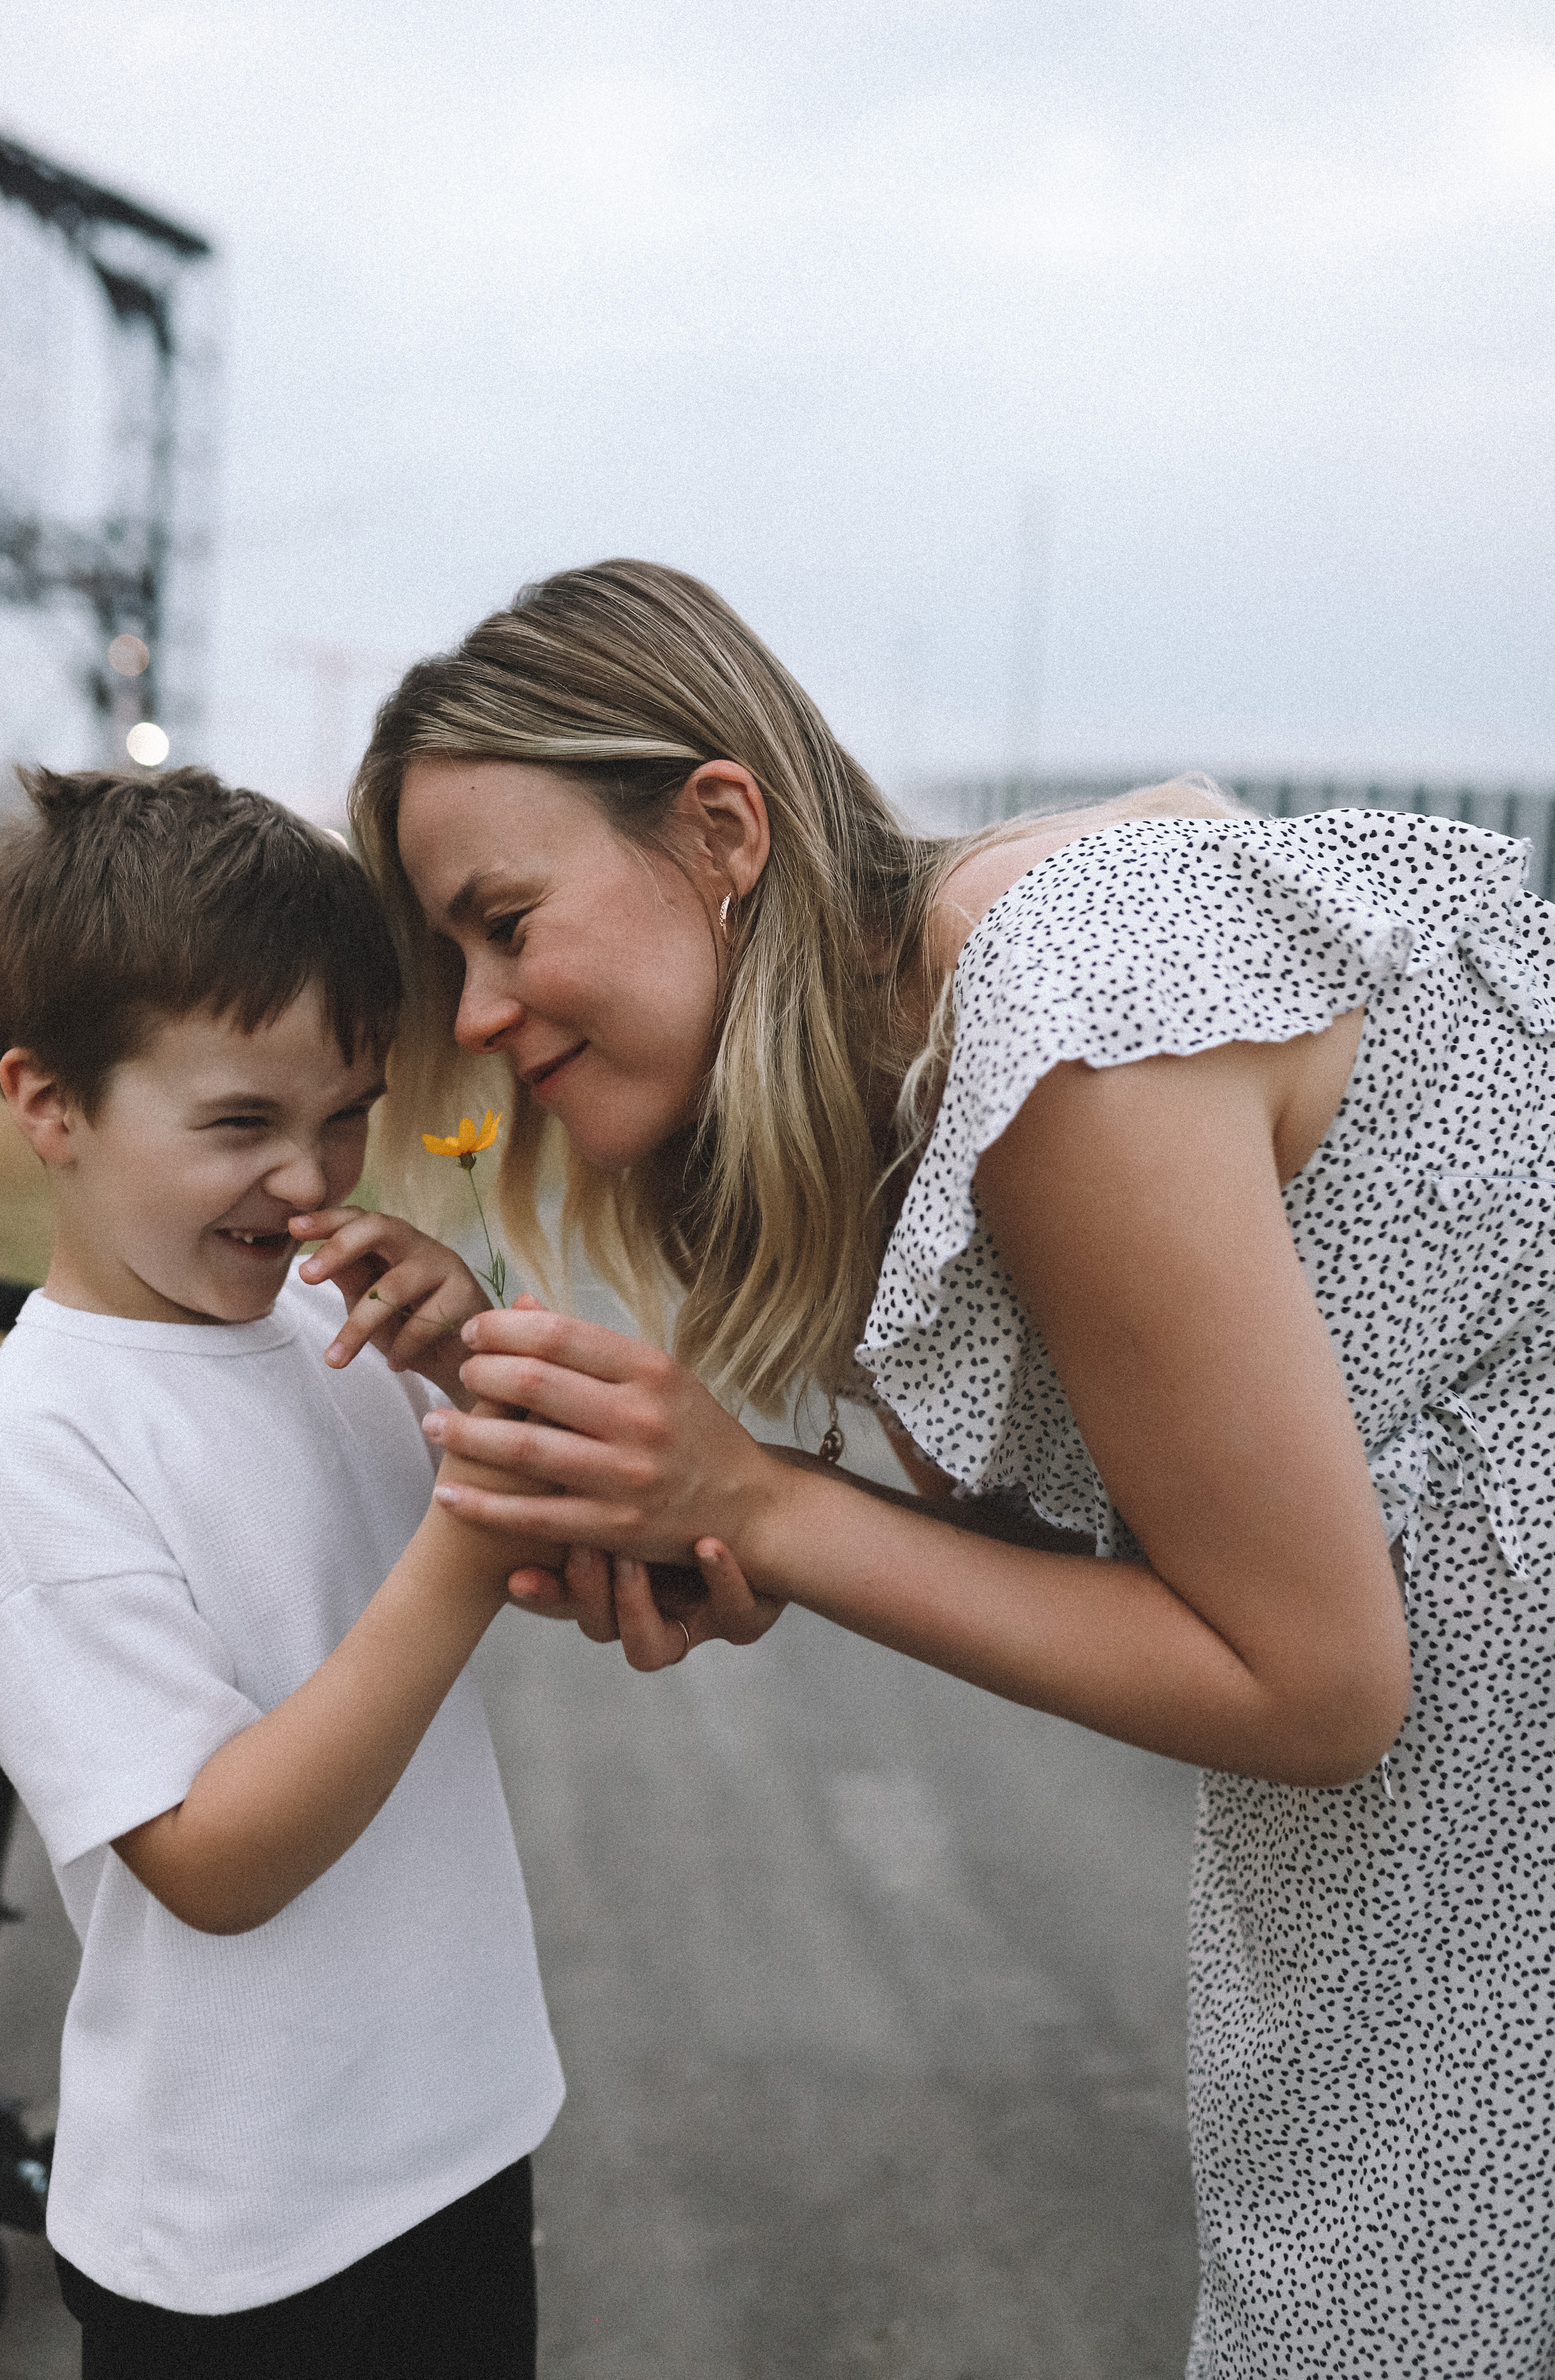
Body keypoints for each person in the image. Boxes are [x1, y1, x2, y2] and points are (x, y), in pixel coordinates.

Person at [334, 557, 1555, 2376]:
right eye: (450, 965)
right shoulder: (903, 1081)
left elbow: (1316, 1683)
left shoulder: (1061, 1016)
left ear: (720, 829)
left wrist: (764, 1505)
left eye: (504, 923)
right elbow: (1126, 1573)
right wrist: (725, 1516)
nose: (483, 1013)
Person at [0, 767, 565, 2379]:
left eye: (345, 1115)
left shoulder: (329, 1330)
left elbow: (568, 1545)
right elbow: (213, 1859)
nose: (310, 1181)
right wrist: (458, 1552)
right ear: (50, 1105)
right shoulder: (41, 1443)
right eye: (241, 1122)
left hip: (453, 2129)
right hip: (233, 2242)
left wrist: (475, 1362)